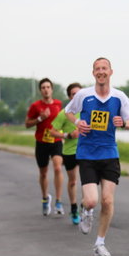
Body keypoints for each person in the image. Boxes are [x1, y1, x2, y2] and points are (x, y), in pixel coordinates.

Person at [65, 57, 129, 256]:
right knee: (91, 200)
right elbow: (68, 112)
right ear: (93, 73)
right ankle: (86, 211)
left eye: (104, 68)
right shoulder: (83, 95)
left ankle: (100, 243)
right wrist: (78, 122)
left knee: (107, 200)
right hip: (87, 153)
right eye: (97, 69)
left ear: (110, 72)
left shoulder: (119, 97)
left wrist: (123, 122)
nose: (101, 72)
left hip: (109, 153)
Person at [25, 78, 64, 216]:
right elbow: (27, 124)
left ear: (52, 89)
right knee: (43, 173)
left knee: (58, 167)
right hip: (41, 142)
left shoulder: (59, 104)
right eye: (43, 87)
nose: (46, 89)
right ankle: (45, 198)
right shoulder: (36, 106)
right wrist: (40, 119)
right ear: (40, 90)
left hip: (56, 140)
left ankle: (58, 201)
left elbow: (64, 120)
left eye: (48, 87)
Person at [49, 83, 82, 225]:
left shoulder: (88, 110)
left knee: (88, 181)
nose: (76, 96)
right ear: (69, 97)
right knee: (73, 181)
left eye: (79, 93)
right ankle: (74, 208)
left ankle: (87, 208)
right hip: (69, 151)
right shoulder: (64, 113)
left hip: (86, 150)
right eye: (73, 94)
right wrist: (68, 135)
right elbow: (52, 131)